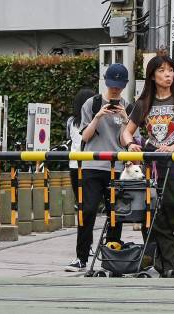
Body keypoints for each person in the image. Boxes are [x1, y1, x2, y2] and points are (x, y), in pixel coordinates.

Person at [121, 56, 174, 278]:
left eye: (171, 70)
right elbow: (127, 131)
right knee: (158, 220)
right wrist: (130, 144)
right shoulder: (143, 102)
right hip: (152, 170)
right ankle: (167, 267)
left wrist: (173, 147)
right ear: (152, 75)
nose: (168, 74)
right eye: (163, 70)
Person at [65, 66, 128, 272]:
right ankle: (81, 257)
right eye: (112, 86)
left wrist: (127, 119)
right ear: (105, 82)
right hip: (92, 165)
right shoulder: (92, 104)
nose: (115, 90)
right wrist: (98, 116)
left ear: (125, 85)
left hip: (116, 167)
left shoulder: (127, 106)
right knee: (87, 210)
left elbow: (126, 139)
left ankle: (112, 256)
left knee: (115, 214)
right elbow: (85, 136)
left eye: (119, 86)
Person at [66, 86, 97, 213]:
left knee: (80, 200)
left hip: (74, 163)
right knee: (90, 200)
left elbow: (69, 137)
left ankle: (81, 223)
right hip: (90, 164)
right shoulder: (94, 121)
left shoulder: (71, 121)